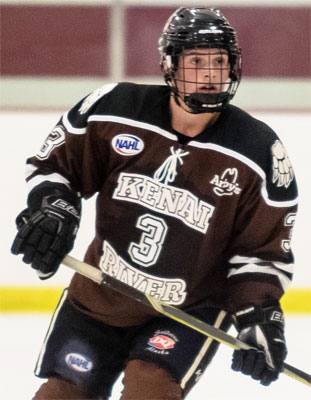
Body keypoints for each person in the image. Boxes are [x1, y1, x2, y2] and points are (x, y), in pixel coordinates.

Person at [11, 7, 298, 400]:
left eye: (220, 61)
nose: (211, 74)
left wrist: (260, 316)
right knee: (61, 395)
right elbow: (55, 168)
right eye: (196, 61)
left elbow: (260, 253)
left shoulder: (259, 150)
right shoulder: (115, 108)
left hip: (186, 313)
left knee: (150, 389)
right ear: (169, 65)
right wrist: (52, 209)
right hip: (100, 298)